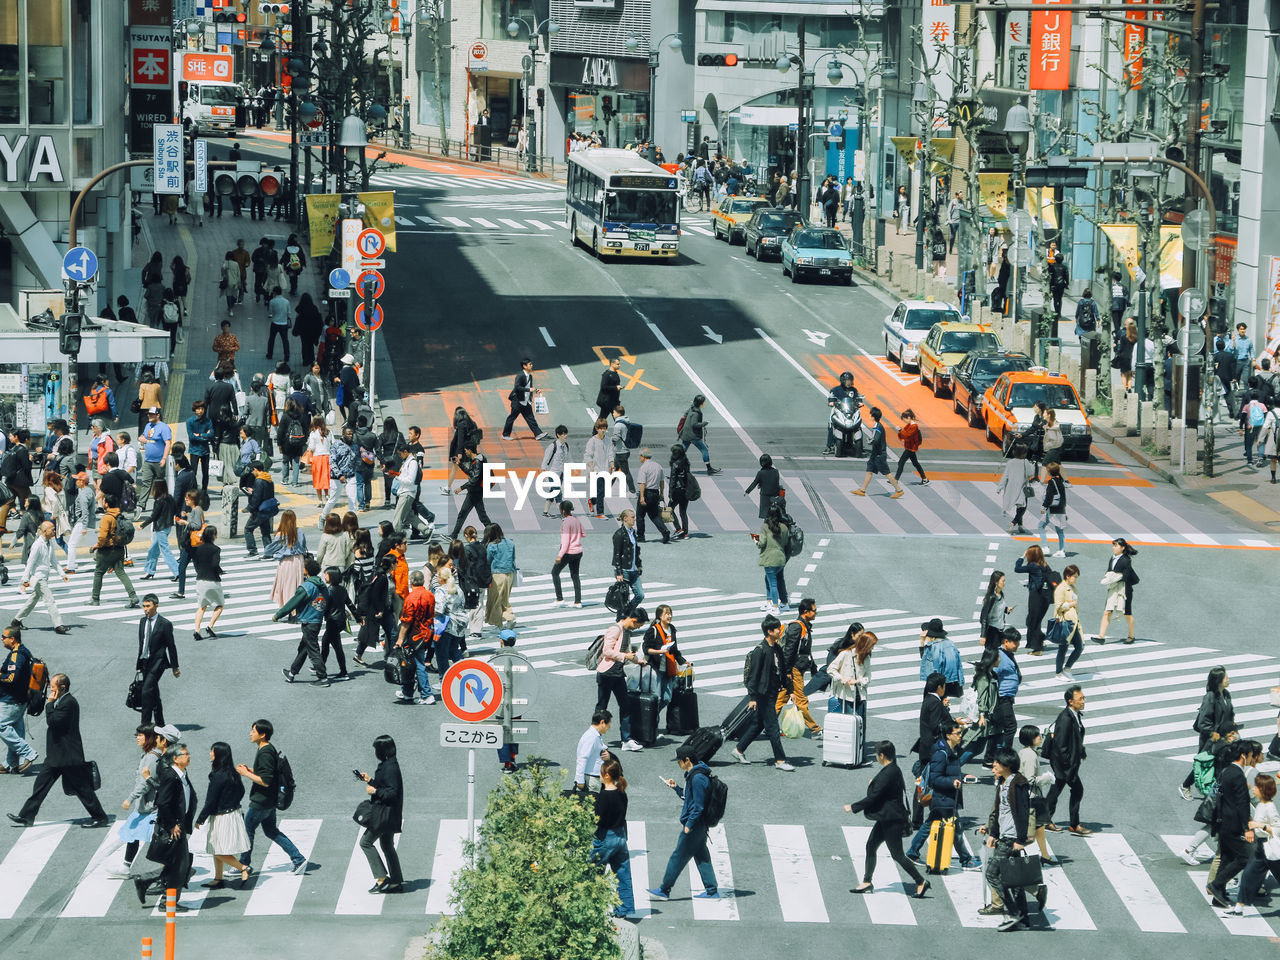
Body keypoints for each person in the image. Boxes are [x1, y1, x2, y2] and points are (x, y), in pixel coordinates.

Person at [8, 673, 110, 827]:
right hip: (56, 756)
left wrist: (49, 704)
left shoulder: (69, 702)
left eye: (53, 686)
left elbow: (53, 722)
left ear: (62, 688)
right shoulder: (63, 701)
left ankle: (100, 817)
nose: (50, 689)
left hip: (68, 756)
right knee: (40, 785)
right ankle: (26, 816)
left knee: (83, 789)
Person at [846, 740, 930, 898]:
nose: (877, 757)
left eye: (877, 755)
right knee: (871, 846)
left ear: (882, 755)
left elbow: (873, 797)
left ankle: (920, 881)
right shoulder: (892, 769)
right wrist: (874, 784)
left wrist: (853, 806)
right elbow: (884, 791)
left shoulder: (889, 772)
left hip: (892, 819)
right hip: (886, 817)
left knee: (897, 854)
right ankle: (867, 881)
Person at [977, 749, 1045, 931]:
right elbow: (1000, 812)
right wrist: (994, 834)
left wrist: (1020, 839)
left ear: (1007, 765)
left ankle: (1014, 913)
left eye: (997, 763)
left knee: (992, 873)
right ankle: (1023, 919)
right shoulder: (1003, 783)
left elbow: (1023, 812)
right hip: (1004, 836)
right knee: (1014, 881)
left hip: (1012, 838)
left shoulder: (1018, 784)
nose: (993, 766)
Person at [904, 721, 981, 869]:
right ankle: (966, 859)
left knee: (930, 825)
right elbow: (935, 778)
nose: (960, 736)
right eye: (957, 733)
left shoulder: (950, 750)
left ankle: (912, 852)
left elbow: (949, 772)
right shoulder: (941, 754)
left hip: (945, 797)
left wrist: (963, 777)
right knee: (956, 829)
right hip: (943, 797)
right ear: (948, 735)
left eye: (960, 733)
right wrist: (953, 782)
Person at [649, 744, 721, 901]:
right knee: (701, 856)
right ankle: (711, 890)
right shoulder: (697, 774)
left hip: (695, 826)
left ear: (687, 760)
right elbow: (691, 799)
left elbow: (698, 806)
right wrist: (676, 788)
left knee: (678, 856)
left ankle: (664, 890)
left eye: (679, 761)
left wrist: (688, 825)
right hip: (700, 825)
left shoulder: (697, 779)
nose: (678, 764)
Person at [131, 742, 197, 909]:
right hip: (173, 828)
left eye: (188, 753)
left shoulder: (181, 774)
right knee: (181, 865)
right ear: (175, 759)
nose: (189, 756)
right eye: (185, 754)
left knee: (180, 864)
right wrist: (172, 825)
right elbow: (163, 803)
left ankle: (147, 882)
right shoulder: (171, 776)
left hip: (180, 824)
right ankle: (165, 901)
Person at [235, 719, 308, 873]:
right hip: (269, 801)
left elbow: (266, 781)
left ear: (262, 735)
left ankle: (243, 864)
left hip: (261, 801)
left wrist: (246, 773)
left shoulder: (265, 752)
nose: (250, 733)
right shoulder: (267, 749)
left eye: (253, 731)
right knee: (271, 831)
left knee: (247, 831)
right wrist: (251, 769)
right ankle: (298, 859)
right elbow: (267, 772)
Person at [731, 615, 795, 771]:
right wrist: (753, 697)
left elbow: (783, 671)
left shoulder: (777, 648)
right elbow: (753, 675)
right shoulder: (760, 650)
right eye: (777, 629)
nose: (780, 631)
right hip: (762, 694)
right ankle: (780, 760)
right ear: (769, 631)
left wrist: (790, 690)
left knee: (759, 724)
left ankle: (739, 749)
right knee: (772, 726)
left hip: (773, 692)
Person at [194, 741, 252, 888]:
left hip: (221, 817)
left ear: (218, 755)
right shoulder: (232, 772)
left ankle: (243, 868)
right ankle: (218, 878)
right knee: (217, 848)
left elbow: (210, 801)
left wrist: (200, 819)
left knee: (217, 849)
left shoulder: (217, 776)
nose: (210, 754)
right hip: (233, 813)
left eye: (212, 751)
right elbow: (241, 791)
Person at [1206, 741, 1254, 910]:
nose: (1251, 758)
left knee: (1226, 859)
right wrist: (1247, 828)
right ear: (1243, 756)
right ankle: (1216, 884)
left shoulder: (1226, 771)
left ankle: (1218, 896)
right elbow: (1242, 804)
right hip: (1233, 824)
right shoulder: (1238, 775)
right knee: (1245, 857)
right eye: (1250, 755)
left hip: (1222, 822)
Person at [354, 735, 404, 894]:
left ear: (383, 750)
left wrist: (375, 790)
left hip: (384, 814)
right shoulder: (389, 765)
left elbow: (392, 793)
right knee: (387, 845)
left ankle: (382, 879)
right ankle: (395, 881)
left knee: (365, 842)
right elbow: (387, 787)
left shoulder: (390, 768)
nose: (375, 752)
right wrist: (370, 781)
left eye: (376, 749)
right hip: (389, 814)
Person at [597, 607, 648, 752]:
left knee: (625, 705)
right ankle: (596, 738)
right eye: (639, 625)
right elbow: (607, 651)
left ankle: (626, 740)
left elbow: (626, 652)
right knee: (602, 708)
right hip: (606, 673)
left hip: (618, 674)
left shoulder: (626, 632)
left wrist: (638, 661)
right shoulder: (615, 629)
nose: (638, 628)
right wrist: (625, 656)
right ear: (633, 620)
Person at [1180, 666, 1235, 801]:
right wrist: (1213, 734)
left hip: (1224, 737)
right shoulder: (1210, 697)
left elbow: (1230, 714)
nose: (1228, 679)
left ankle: (1215, 793)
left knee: (1220, 763)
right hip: (1210, 739)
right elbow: (1203, 722)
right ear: (1218, 681)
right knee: (1206, 763)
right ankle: (1186, 785)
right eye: (1225, 677)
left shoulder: (1226, 694)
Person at [1042, 685, 1091, 835]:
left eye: (1083, 698)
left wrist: (1081, 751)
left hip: (1067, 762)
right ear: (1071, 701)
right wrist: (1068, 765)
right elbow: (1060, 745)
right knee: (1076, 789)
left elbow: (1077, 737)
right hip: (1064, 763)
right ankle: (1074, 825)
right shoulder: (1065, 718)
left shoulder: (1075, 715)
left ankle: (1046, 820)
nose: (1083, 701)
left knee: (1056, 790)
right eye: (1080, 699)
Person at [276, 557, 330, 687]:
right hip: (317, 619)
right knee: (304, 647)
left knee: (312, 649)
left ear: (306, 571)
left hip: (308, 620)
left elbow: (293, 603)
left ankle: (323, 678)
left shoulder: (306, 587)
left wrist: (278, 615)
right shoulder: (322, 586)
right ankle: (292, 672)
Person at [593, 756, 634, 917]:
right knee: (623, 874)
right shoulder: (622, 792)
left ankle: (594, 908)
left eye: (601, 773)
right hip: (621, 836)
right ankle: (624, 908)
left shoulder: (603, 796)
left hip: (606, 837)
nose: (600, 775)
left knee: (593, 872)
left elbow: (598, 819)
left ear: (607, 776)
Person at [776, 599, 821, 736]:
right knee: (801, 699)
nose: (816, 613)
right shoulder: (797, 627)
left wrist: (812, 665)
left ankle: (768, 723)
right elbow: (789, 650)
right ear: (805, 612)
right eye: (814, 610)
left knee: (781, 698)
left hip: (796, 668)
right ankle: (815, 729)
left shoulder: (804, 626)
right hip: (794, 669)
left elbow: (804, 649)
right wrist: (788, 672)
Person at [15, 521, 68, 634]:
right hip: (38, 578)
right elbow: (30, 563)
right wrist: (25, 580)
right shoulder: (38, 545)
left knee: (32, 600)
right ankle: (58, 625)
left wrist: (62, 574)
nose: (54, 531)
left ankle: (16, 621)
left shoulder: (49, 543)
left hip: (44, 576)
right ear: (45, 531)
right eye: (52, 529)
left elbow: (53, 560)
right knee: (50, 600)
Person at [134, 594, 179, 727]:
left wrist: (175, 667)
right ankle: (160, 724)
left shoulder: (165, 624)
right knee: (153, 693)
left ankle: (145, 726)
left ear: (156, 606)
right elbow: (141, 644)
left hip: (158, 663)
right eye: (144, 606)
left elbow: (171, 646)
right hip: (145, 662)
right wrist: (139, 664)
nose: (145, 609)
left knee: (146, 692)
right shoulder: (142, 622)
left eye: (148, 606)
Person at [395, 568, 436, 705]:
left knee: (415, 664)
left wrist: (400, 639)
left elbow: (406, 621)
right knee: (413, 663)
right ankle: (407, 692)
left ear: (411, 582)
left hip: (414, 635)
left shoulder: (411, 598)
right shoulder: (430, 595)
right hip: (426, 633)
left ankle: (426, 694)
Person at [89, 495, 140, 609]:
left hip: (106, 550)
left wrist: (96, 546)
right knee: (121, 572)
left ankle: (95, 598)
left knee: (98, 573)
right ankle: (133, 596)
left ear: (106, 503)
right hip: (119, 548)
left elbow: (102, 537)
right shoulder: (119, 515)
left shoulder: (107, 517)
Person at [0, 626, 37, 775]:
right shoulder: (23, 651)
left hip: (12, 699)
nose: (2, 639)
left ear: (12, 639)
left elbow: (11, 677)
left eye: (4, 637)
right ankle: (11, 763)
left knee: (1, 725)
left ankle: (28, 753)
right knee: (15, 730)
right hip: (20, 699)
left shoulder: (17, 655)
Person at [851, 407, 905, 499]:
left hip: (879, 455)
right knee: (869, 470)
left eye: (870, 414)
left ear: (873, 416)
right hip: (875, 455)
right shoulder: (878, 426)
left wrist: (869, 441)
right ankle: (862, 490)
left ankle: (899, 490)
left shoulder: (877, 427)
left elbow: (875, 440)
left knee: (887, 473)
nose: (869, 416)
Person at [1094, 537, 1139, 644]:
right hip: (1113, 589)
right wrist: (1108, 577)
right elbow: (1109, 570)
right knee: (1107, 612)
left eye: (1116, 545)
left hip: (1124, 590)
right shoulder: (1112, 558)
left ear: (1122, 548)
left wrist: (1115, 577)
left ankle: (1131, 636)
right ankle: (1101, 637)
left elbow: (1127, 575)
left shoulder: (1126, 560)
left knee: (1127, 613)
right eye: (1113, 545)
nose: (1113, 547)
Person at [828, 630, 876, 724]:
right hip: (846, 695)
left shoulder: (866, 658)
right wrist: (842, 678)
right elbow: (831, 669)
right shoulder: (846, 654)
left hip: (861, 695)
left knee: (861, 724)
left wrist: (858, 681)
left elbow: (868, 676)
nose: (872, 648)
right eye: (872, 646)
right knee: (850, 723)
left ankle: (860, 739)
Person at [1014, 545, 1053, 654]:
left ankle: (1037, 648)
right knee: (1035, 620)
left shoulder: (1033, 565)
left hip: (1036, 597)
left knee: (1032, 621)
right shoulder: (1045, 565)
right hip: (1045, 597)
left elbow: (1017, 569)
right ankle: (1040, 639)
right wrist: (1030, 583)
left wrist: (1021, 557)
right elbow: (1042, 579)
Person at [500, 358, 549, 441]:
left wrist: (535, 390)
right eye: (530, 364)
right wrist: (529, 390)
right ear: (524, 366)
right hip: (518, 401)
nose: (531, 365)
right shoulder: (520, 375)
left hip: (525, 401)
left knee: (530, 418)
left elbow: (529, 387)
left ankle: (538, 434)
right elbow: (517, 387)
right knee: (512, 418)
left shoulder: (529, 376)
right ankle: (505, 435)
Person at [267, 509, 308, 606]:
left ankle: (288, 607)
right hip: (299, 560)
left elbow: (268, 551)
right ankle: (295, 608)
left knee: (286, 585)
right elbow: (303, 546)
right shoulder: (299, 532)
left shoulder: (280, 534)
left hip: (286, 562)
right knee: (297, 584)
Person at [192, 525, 225, 640]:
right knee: (220, 605)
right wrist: (220, 571)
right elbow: (215, 564)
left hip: (200, 580)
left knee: (201, 606)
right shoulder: (216, 549)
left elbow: (196, 564)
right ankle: (210, 625)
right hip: (213, 580)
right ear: (213, 536)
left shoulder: (198, 549)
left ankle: (197, 629)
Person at [753, 509, 789, 614]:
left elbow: (762, 543)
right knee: (775, 579)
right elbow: (786, 542)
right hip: (781, 558)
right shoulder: (784, 527)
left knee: (772, 582)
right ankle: (779, 603)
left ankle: (775, 606)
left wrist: (756, 540)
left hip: (769, 559)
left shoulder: (765, 527)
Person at [1053, 565, 1084, 680]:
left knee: (1080, 646)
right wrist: (1070, 604)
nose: (1076, 579)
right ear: (1068, 576)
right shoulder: (1061, 588)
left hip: (1074, 623)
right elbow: (1058, 607)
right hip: (1065, 622)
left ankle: (1067, 669)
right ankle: (1058, 673)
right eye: (1074, 576)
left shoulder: (1073, 588)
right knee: (1063, 648)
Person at [918, 619, 963, 697]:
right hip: (948, 683)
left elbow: (932, 664)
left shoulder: (933, 647)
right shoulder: (951, 644)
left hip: (936, 685)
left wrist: (922, 642)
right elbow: (958, 666)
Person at [634, 448, 671, 544]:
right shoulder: (658, 466)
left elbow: (642, 483)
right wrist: (661, 494)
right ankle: (664, 531)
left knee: (640, 515)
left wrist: (642, 497)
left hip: (646, 493)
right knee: (654, 515)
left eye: (640, 456)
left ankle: (641, 536)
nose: (639, 458)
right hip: (655, 493)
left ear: (643, 457)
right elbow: (662, 481)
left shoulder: (643, 468)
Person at [552, 500, 584, 607]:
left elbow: (565, 542)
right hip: (578, 551)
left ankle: (560, 599)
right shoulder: (576, 520)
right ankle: (578, 601)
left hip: (568, 552)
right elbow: (583, 533)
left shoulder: (566, 523)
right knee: (575, 575)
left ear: (563, 511)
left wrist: (559, 556)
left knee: (555, 572)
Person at [573, 710, 612, 793]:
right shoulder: (591, 737)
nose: (609, 728)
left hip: (594, 778)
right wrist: (579, 780)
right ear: (602, 722)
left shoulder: (595, 735)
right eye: (608, 724)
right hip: (591, 780)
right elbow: (582, 758)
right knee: (592, 805)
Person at [611, 509, 644, 605]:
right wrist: (619, 572)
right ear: (625, 518)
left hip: (633, 570)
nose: (635, 519)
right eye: (632, 517)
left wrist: (639, 564)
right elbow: (617, 554)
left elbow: (636, 550)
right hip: (624, 571)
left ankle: (628, 611)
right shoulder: (619, 534)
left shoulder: (633, 532)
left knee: (640, 595)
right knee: (623, 598)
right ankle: (622, 617)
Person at [1037, 461, 1068, 557]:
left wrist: (1044, 507)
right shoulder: (1060, 482)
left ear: (1049, 472)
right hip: (1060, 508)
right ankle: (1061, 550)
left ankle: (1045, 547)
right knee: (1059, 530)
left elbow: (1049, 497)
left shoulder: (1051, 482)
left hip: (1052, 509)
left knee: (1041, 526)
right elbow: (1064, 497)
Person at [979, 571, 1013, 649]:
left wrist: (1006, 610)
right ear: (996, 582)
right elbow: (984, 617)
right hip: (992, 631)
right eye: (1003, 581)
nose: (1004, 583)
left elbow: (998, 608)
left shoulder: (1001, 594)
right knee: (992, 656)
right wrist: (983, 636)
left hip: (1000, 629)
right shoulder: (991, 597)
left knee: (998, 656)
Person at [895, 409, 929, 485]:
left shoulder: (914, 426)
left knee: (901, 462)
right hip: (910, 447)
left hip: (910, 447)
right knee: (915, 463)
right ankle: (924, 479)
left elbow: (907, 436)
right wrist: (901, 432)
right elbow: (904, 434)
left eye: (904, 419)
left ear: (909, 417)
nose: (904, 421)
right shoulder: (910, 425)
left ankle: (896, 479)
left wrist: (900, 430)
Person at [744, 453, 782, 519]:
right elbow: (775, 482)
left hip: (765, 496)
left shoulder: (760, 473)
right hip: (776, 495)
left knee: (765, 514)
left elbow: (754, 483)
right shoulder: (776, 471)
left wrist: (747, 491)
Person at [610, 405, 637, 496]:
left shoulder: (618, 424)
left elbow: (616, 438)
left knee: (626, 472)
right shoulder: (625, 422)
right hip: (623, 450)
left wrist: (610, 439)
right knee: (616, 469)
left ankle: (632, 491)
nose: (612, 414)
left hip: (621, 451)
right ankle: (607, 488)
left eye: (613, 412)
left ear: (618, 413)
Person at [667, 445, 692, 539]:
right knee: (683, 512)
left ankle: (678, 529)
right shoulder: (686, 462)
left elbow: (673, 480)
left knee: (669, 509)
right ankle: (685, 533)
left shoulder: (675, 464)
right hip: (686, 489)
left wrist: (670, 493)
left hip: (677, 490)